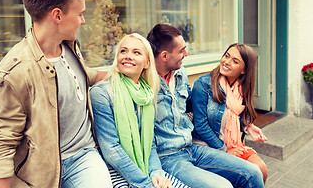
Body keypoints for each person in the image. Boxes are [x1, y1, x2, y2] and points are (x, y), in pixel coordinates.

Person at [0, 0, 111, 188]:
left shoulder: (69, 45)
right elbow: (0, 144)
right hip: (44, 172)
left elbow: (79, 77)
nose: (83, 20)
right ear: (58, 15)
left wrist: (121, 74)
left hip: (84, 156)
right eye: (79, 13)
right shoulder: (16, 70)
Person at [146, 24, 264, 188]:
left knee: (254, 173)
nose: (186, 54)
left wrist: (246, 125)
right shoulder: (145, 84)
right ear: (165, 55)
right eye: (182, 51)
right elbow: (144, 133)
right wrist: (154, 170)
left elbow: (189, 104)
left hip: (191, 148)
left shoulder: (180, 73)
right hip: (169, 156)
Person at [90, 33, 188, 188]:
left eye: (136, 52)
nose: (128, 56)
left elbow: (150, 143)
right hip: (116, 170)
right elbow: (111, 149)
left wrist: (156, 172)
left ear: (147, 62)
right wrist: (144, 183)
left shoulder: (147, 93)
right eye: (123, 51)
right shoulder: (102, 93)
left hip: (146, 165)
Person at [191, 43, 268, 182]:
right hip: (205, 146)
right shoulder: (203, 84)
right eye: (227, 56)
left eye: (235, 61)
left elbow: (237, 116)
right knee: (248, 174)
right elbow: (201, 126)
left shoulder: (241, 88)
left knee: (261, 170)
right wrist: (224, 150)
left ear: (244, 70)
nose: (226, 62)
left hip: (231, 144)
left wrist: (248, 126)